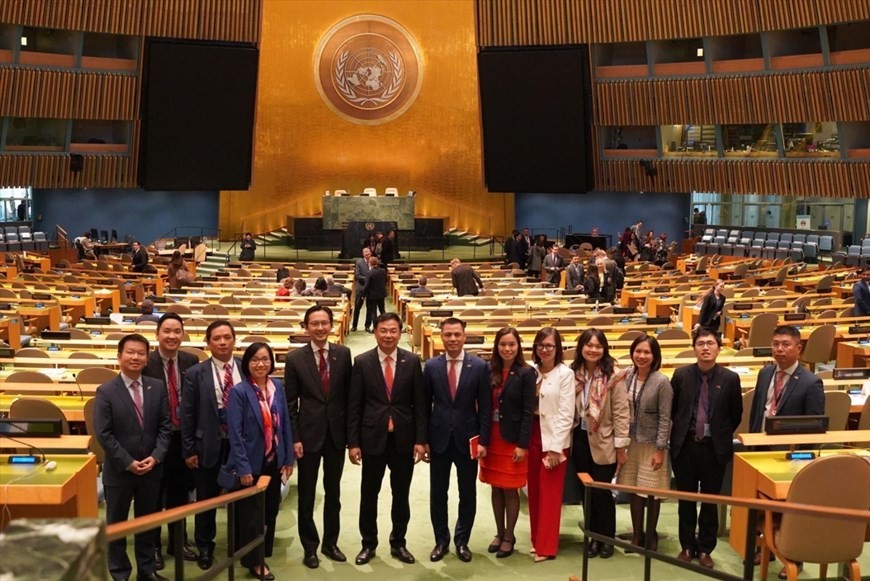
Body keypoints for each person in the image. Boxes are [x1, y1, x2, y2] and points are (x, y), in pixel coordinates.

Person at [347, 313, 428, 566]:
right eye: (383, 330)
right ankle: (368, 544)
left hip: (403, 440)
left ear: (400, 332)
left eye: (393, 330)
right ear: (375, 332)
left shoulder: (412, 361)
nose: (388, 335)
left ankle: (399, 543)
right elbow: (354, 405)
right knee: (369, 494)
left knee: (401, 495)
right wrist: (354, 443)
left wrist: (421, 440)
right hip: (372, 439)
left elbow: (420, 405)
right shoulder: (362, 362)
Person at [95, 334, 171, 581]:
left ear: (146, 358)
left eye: (141, 353)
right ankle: (120, 574)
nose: (136, 357)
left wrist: (156, 457)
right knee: (117, 526)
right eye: (130, 352)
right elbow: (104, 434)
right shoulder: (106, 391)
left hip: (152, 469)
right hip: (119, 471)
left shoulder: (156, 387)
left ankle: (147, 570)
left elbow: (165, 426)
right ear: (119, 356)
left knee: (147, 524)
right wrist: (128, 462)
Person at [284, 306, 353, 569]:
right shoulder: (295, 359)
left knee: (333, 493)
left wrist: (351, 437)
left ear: (332, 325)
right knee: (307, 494)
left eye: (325, 323)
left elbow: (350, 398)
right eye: (315, 323)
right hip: (308, 435)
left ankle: (330, 543)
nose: (320, 328)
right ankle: (309, 547)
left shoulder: (344, 355)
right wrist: (295, 437)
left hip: (336, 435)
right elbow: (291, 403)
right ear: (306, 327)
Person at [670, 328, 742, 569]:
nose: (705, 347)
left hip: (714, 448)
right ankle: (687, 546)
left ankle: (705, 548)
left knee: (710, 501)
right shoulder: (681, 375)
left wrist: (719, 433)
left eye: (710, 343)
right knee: (686, 499)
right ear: (694, 348)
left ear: (718, 348)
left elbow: (736, 414)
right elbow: (674, 410)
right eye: (700, 343)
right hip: (686, 446)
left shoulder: (730, 378)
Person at [226, 342, 294, 580]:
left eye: (265, 359)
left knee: (270, 509)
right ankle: (254, 562)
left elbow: (284, 423)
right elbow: (234, 433)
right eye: (255, 359)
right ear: (247, 363)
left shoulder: (277, 386)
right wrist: (243, 467)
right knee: (251, 514)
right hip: (251, 463)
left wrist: (288, 459)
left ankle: (263, 550)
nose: (260, 364)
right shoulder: (239, 392)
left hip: (274, 460)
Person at [425, 318, 491, 563]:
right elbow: (423, 406)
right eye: (448, 335)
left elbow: (485, 407)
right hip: (439, 438)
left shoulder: (479, 366)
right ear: (441, 337)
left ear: (464, 336)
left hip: (467, 439)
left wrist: (483, 440)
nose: (452, 339)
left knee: (467, 493)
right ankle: (441, 541)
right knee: (438, 493)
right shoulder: (431, 366)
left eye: (457, 334)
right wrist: (423, 440)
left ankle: (462, 541)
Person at [180, 320, 242, 570]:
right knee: (206, 500)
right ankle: (205, 546)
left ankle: (239, 543)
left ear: (234, 340)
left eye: (227, 337)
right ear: (208, 343)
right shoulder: (196, 373)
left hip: (239, 447)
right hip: (207, 446)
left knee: (240, 497)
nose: (223, 342)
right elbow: (187, 414)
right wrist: (189, 450)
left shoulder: (245, 368)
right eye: (217, 338)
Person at [142, 313, 200, 567]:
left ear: (183, 334)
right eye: (167, 331)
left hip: (182, 439)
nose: (172, 336)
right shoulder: (146, 362)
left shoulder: (191, 360)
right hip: (154, 441)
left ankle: (178, 541)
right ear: (157, 334)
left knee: (180, 494)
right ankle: (152, 545)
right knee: (153, 495)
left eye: (177, 331)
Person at [570, 328, 629, 560]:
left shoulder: (614, 376)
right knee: (587, 491)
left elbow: (622, 413)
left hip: (604, 441)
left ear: (604, 349)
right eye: (588, 345)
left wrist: (621, 446)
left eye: (597, 346)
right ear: (581, 347)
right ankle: (593, 537)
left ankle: (607, 538)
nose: (593, 350)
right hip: (580, 440)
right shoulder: (573, 372)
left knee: (603, 493)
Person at [479, 327, 535, 559]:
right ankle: (499, 532)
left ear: (518, 346)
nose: (507, 349)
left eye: (512, 344)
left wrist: (522, 445)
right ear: (497, 346)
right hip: (492, 438)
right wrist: (482, 440)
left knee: (511, 489)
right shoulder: (489, 370)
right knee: (495, 487)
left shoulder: (526, 373)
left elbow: (528, 411)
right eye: (503, 344)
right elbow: (483, 407)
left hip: (512, 440)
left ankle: (510, 536)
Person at [616, 334, 672, 552]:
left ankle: (651, 535)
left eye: (647, 352)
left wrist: (660, 449)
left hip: (651, 444)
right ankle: (637, 535)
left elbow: (665, 418)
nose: (641, 356)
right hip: (631, 442)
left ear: (654, 355)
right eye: (638, 351)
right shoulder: (626, 375)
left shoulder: (662, 382)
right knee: (633, 490)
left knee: (651, 491)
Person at [528, 327, 575, 562]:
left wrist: (556, 447)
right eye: (540, 345)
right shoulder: (531, 370)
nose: (544, 350)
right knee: (534, 491)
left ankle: (546, 547)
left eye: (549, 346)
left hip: (554, 440)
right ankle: (536, 540)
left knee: (550, 494)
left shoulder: (565, 374)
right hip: (532, 435)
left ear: (558, 349)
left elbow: (567, 412)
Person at [748, 325, 824, 434]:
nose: (779, 349)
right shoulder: (764, 373)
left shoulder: (811, 382)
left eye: (786, 344)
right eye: (775, 344)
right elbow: (756, 412)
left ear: (799, 348)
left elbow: (814, 425)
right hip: (759, 441)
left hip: (788, 446)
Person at [362, 256, 387, 332]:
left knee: (373, 312)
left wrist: (363, 295)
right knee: (382, 310)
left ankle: (375, 327)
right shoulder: (383, 271)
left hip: (372, 295)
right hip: (381, 294)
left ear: (369, 263)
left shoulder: (369, 273)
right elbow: (386, 281)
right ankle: (385, 325)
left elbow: (366, 285)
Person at [351, 247, 372, 331]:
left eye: (368, 252)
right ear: (363, 254)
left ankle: (367, 326)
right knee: (357, 307)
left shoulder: (373, 261)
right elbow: (357, 276)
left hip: (371, 288)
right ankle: (354, 326)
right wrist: (368, 278)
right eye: (365, 253)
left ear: (370, 253)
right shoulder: (359, 262)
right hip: (361, 288)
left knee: (370, 308)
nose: (367, 254)